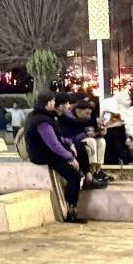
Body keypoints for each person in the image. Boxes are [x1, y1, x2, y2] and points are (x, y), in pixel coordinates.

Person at [24, 94, 90, 223]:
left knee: (80, 147)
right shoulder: (42, 121)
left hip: (46, 151)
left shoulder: (40, 116)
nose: (54, 103)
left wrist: (69, 143)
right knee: (73, 176)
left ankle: (86, 174)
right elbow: (53, 145)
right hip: (44, 155)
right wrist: (70, 158)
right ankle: (71, 211)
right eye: (53, 101)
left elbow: (57, 138)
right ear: (48, 103)